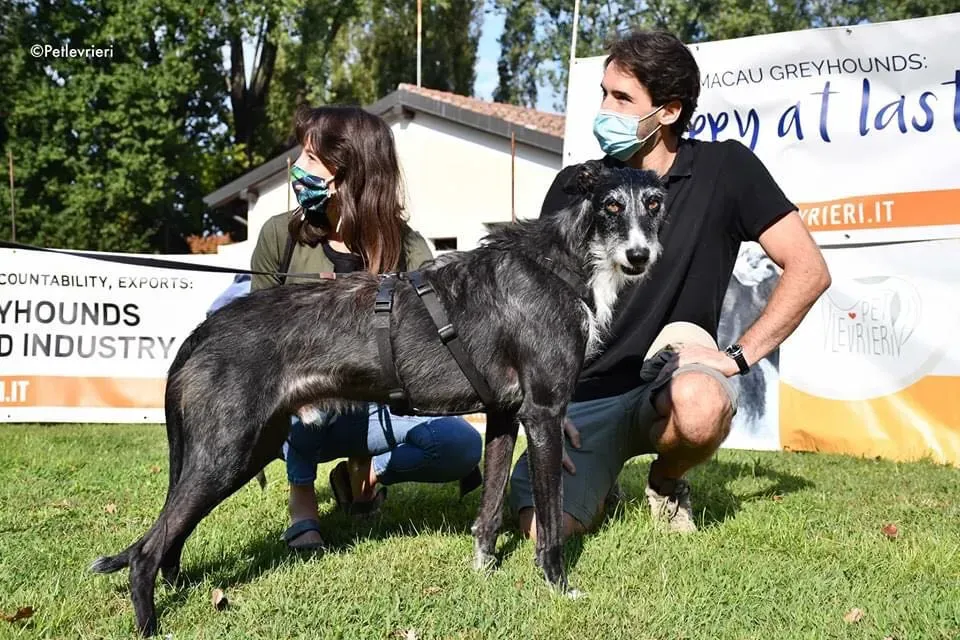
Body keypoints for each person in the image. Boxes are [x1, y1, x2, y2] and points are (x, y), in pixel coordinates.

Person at [508, 29, 831, 539]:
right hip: (582, 394)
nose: (604, 109)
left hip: (670, 376)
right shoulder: (577, 184)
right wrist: (546, 400)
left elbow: (809, 269)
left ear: (669, 111)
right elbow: (535, 306)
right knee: (540, 533)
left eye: (621, 98)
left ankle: (666, 480)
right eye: (603, 93)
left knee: (703, 406)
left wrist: (736, 356)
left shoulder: (726, 169)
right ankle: (602, 477)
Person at [250, 105, 483, 551]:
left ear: (351, 173)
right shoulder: (279, 237)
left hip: (382, 403)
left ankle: (367, 474)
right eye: (301, 155)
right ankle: (302, 505)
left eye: (312, 160)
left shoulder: (409, 246)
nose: (298, 170)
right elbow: (260, 343)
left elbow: (434, 339)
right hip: (301, 410)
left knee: (460, 446)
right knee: (306, 397)